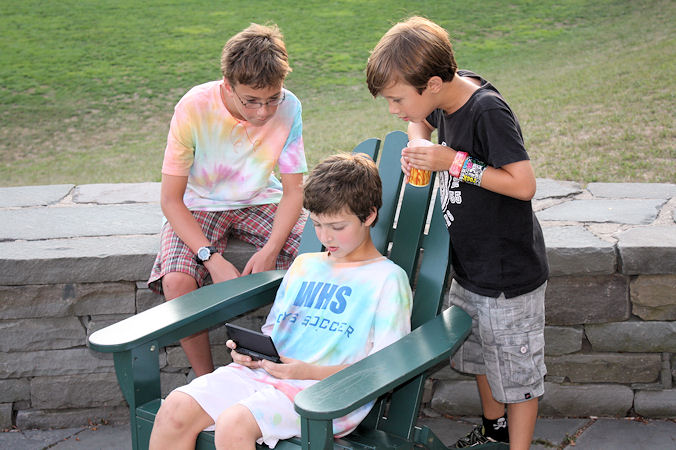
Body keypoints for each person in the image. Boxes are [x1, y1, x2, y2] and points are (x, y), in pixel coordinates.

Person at [366, 16, 549, 450]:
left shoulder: (486, 111)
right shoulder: (446, 93)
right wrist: (418, 143)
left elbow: (523, 185)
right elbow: (422, 122)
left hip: (507, 275)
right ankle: (493, 431)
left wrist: (451, 161)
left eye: (397, 100)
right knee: (482, 357)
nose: (393, 110)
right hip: (469, 268)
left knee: (517, 378)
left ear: (431, 84)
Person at [149, 153, 413, 449]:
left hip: (326, 393)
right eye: (317, 225)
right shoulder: (304, 265)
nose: (326, 237)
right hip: (265, 375)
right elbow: (274, 334)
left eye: (337, 227)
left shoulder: (387, 280)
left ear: (369, 216)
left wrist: (306, 372)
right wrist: (250, 356)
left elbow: (383, 369)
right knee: (175, 408)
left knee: (234, 423)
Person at [147, 23, 308, 377]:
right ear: (227, 85)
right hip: (199, 204)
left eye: (272, 98)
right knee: (177, 281)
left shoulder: (290, 106)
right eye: (251, 100)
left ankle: (297, 369)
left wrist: (271, 249)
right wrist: (211, 259)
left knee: (319, 258)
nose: (263, 111)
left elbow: (294, 190)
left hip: (261, 199)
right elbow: (171, 200)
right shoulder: (193, 106)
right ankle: (205, 382)